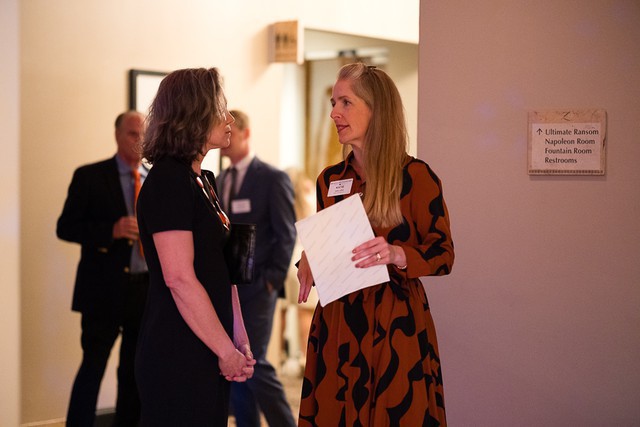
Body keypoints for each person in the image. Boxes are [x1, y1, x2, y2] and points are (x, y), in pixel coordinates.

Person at [297, 63, 455, 426]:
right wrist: (309, 255)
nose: (334, 113)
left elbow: (443, 254)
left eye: (345, 102)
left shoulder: (416, 177)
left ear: (376, 109)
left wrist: (398, 254)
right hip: (338, 324)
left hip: (393, 324)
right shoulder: (329, 180)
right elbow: (332, 242)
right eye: (333, 103)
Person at [134, 68, 255, 426]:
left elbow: (224, 271)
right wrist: (225, 350)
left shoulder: (203, 181)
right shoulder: (169, 181)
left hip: (208, 343)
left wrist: (238, 339)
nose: (229, 118)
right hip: (178, 349)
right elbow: (179, 279)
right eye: (220, 108)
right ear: (194, 114)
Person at [57, 110, 149, 426]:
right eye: (133, 134)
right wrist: (111, 230)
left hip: (144, 289)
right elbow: (65, 227)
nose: (139, 141)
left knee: (134, 371)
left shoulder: (155, 180)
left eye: (143, 134)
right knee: (92, 367)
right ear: (117, 135)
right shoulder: (90, 176)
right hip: (102, 290)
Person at [217, 109, 297, 427]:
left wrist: (271, 280)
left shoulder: (272, 178)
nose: (226, 141)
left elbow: (286, 233)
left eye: (231, 133)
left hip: (260, 287)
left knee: (256, 362)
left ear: (246, 134)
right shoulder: (218, 180)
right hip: (230, 287)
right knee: (239, 366)